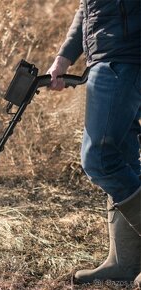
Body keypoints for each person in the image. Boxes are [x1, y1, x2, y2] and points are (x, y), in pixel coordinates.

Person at [47, 0, 141, 287]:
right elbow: (89, 7)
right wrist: (64, 57)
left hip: (123, 55)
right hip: (109, 55)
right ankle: (124, 262)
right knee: (122, 160)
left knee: (99, 158)